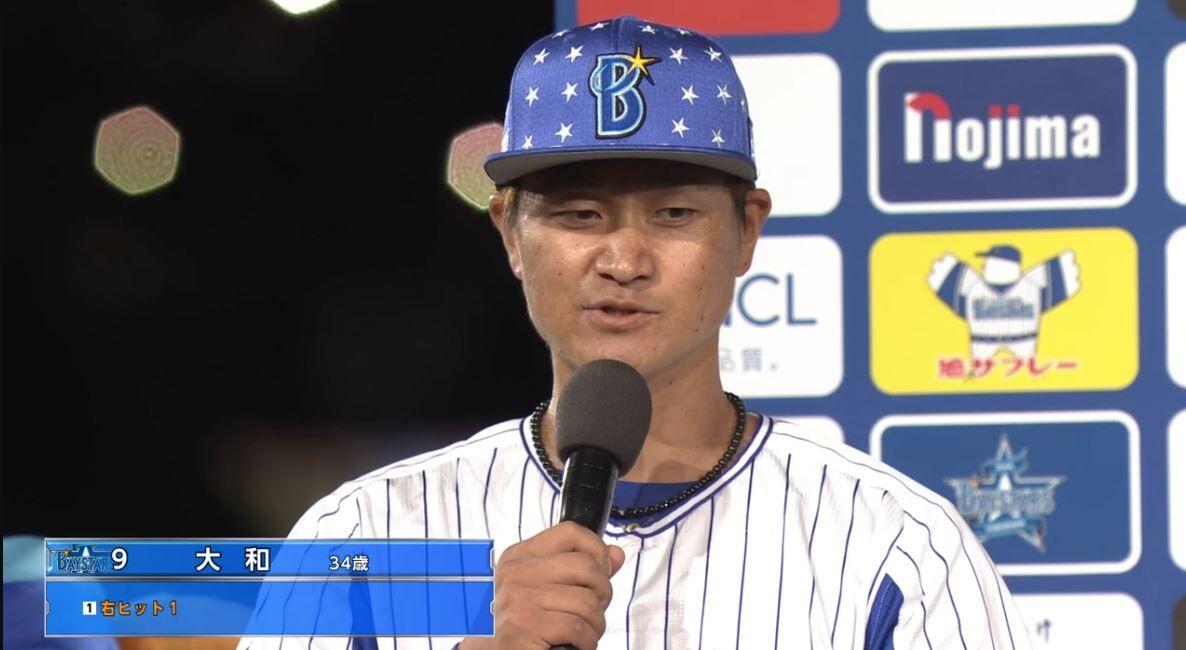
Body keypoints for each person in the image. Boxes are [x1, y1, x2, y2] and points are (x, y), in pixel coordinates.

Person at [239, 14, 1031, 650]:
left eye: (673, 214)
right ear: (510, 233)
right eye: (580, 215)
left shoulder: (895, 546)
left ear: (747, 232)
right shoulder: (365, 538)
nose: (623, 260)